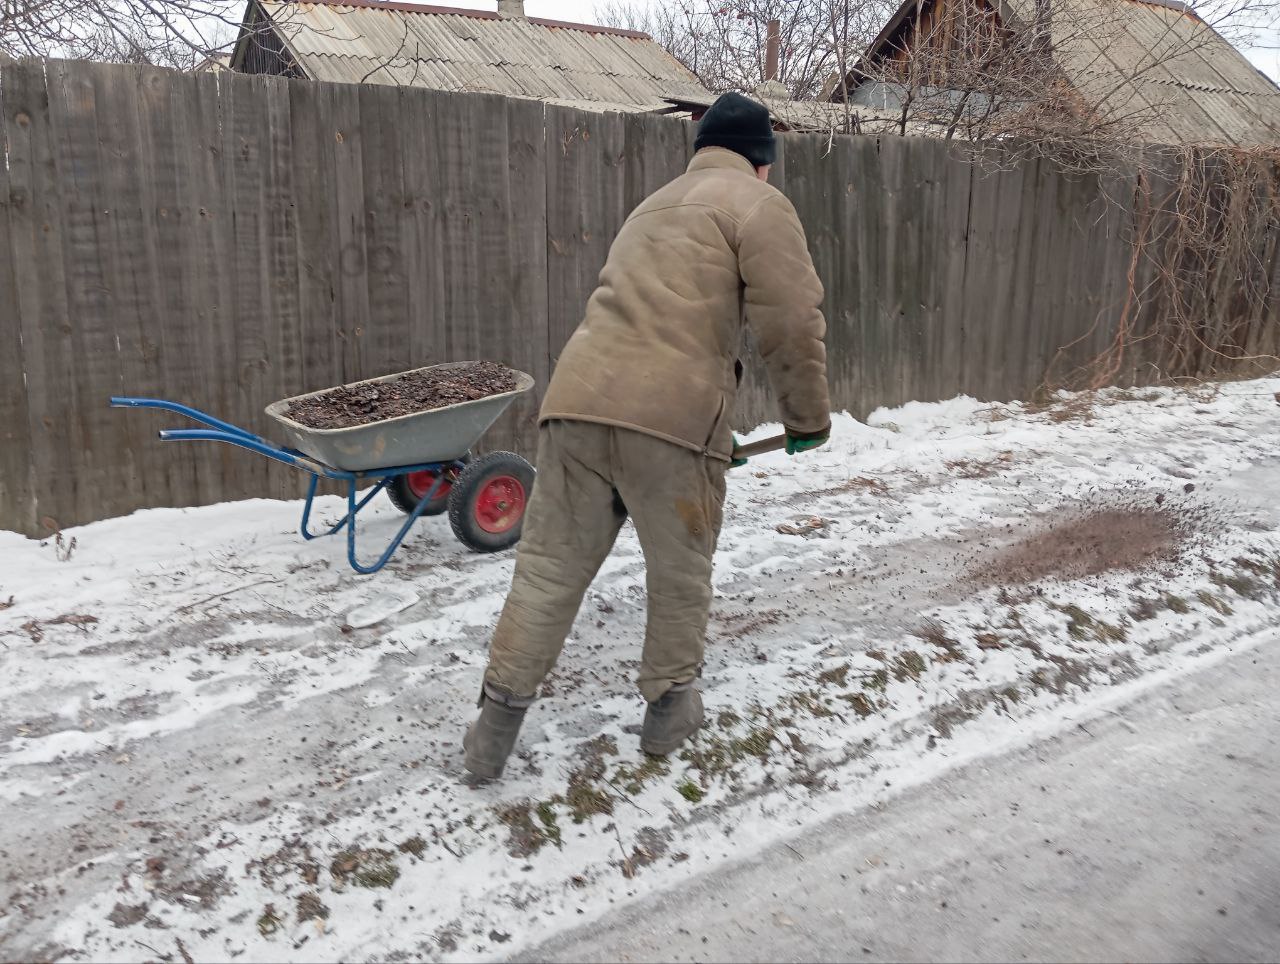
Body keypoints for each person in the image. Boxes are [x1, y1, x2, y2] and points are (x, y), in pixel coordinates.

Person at [463, 91, 831, 779]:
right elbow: (791, 318)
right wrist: (807, 419)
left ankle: (491, 734)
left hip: (576, 404)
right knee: (678, 570)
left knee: (547, 571)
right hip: (671, 416)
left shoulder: (651, 206)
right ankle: (669, 712)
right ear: (761, 161)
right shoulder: (759, 205)